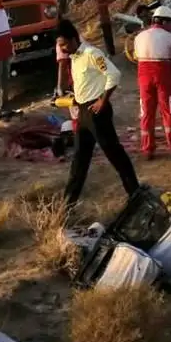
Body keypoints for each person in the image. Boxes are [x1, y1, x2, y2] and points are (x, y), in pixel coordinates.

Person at [55, 19, 140, 206]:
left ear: (73, 39)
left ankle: (135, 193)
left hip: (97, 111)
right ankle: (67, 204)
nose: (62, 49)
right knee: (79, 160)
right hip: (83, 112)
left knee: (114, 154)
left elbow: (114, 75)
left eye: (63, 44)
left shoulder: (92, 53)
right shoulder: (74, 58)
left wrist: (103, 100)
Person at [132, 6, 171, 159]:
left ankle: (148, 150)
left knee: (146, 113)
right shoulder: (169, 37)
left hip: (143, 76)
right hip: (162, 75)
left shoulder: (139, 36)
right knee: (169, 112)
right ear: (166, 22)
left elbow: (136, 56)